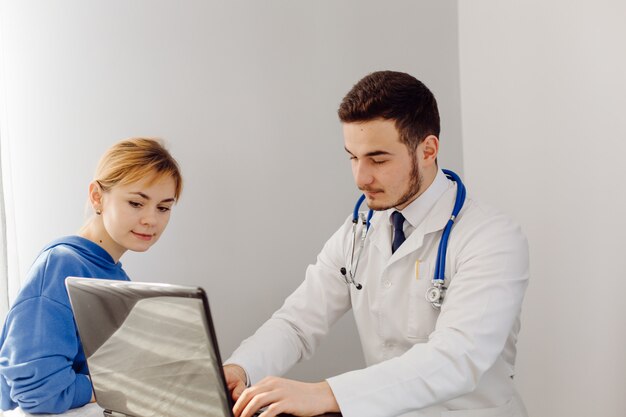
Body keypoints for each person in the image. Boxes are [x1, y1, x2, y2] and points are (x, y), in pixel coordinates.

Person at [224, 71, 529, 417]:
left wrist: (327, 395)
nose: (360, 178)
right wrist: (242, 369)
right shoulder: (360, 230)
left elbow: (458, 357)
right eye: (353, 157)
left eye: (378, 159)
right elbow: (298, 322)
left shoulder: (491, 238)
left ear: (427, 150)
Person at [0, 138, 183, 414]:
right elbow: (38, 392)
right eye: (136, 203)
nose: (151, 220)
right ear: (97, 196)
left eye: (163, 207)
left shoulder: (115, 278)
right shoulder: (61, 266)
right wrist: (108, 386)